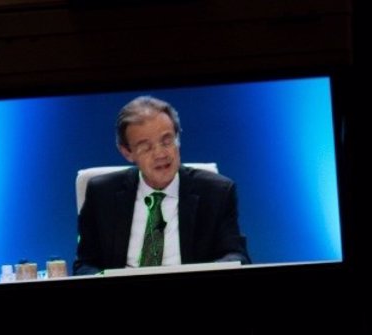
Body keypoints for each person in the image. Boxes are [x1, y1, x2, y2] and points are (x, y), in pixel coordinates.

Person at [73, 95, 249, 274]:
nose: (160, 154)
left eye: (167, 141)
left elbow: (237, 256)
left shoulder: (216, 192)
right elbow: (84, 265)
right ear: (127, 152)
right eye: (146, 147)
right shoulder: (102, 194)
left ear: (178, 139)